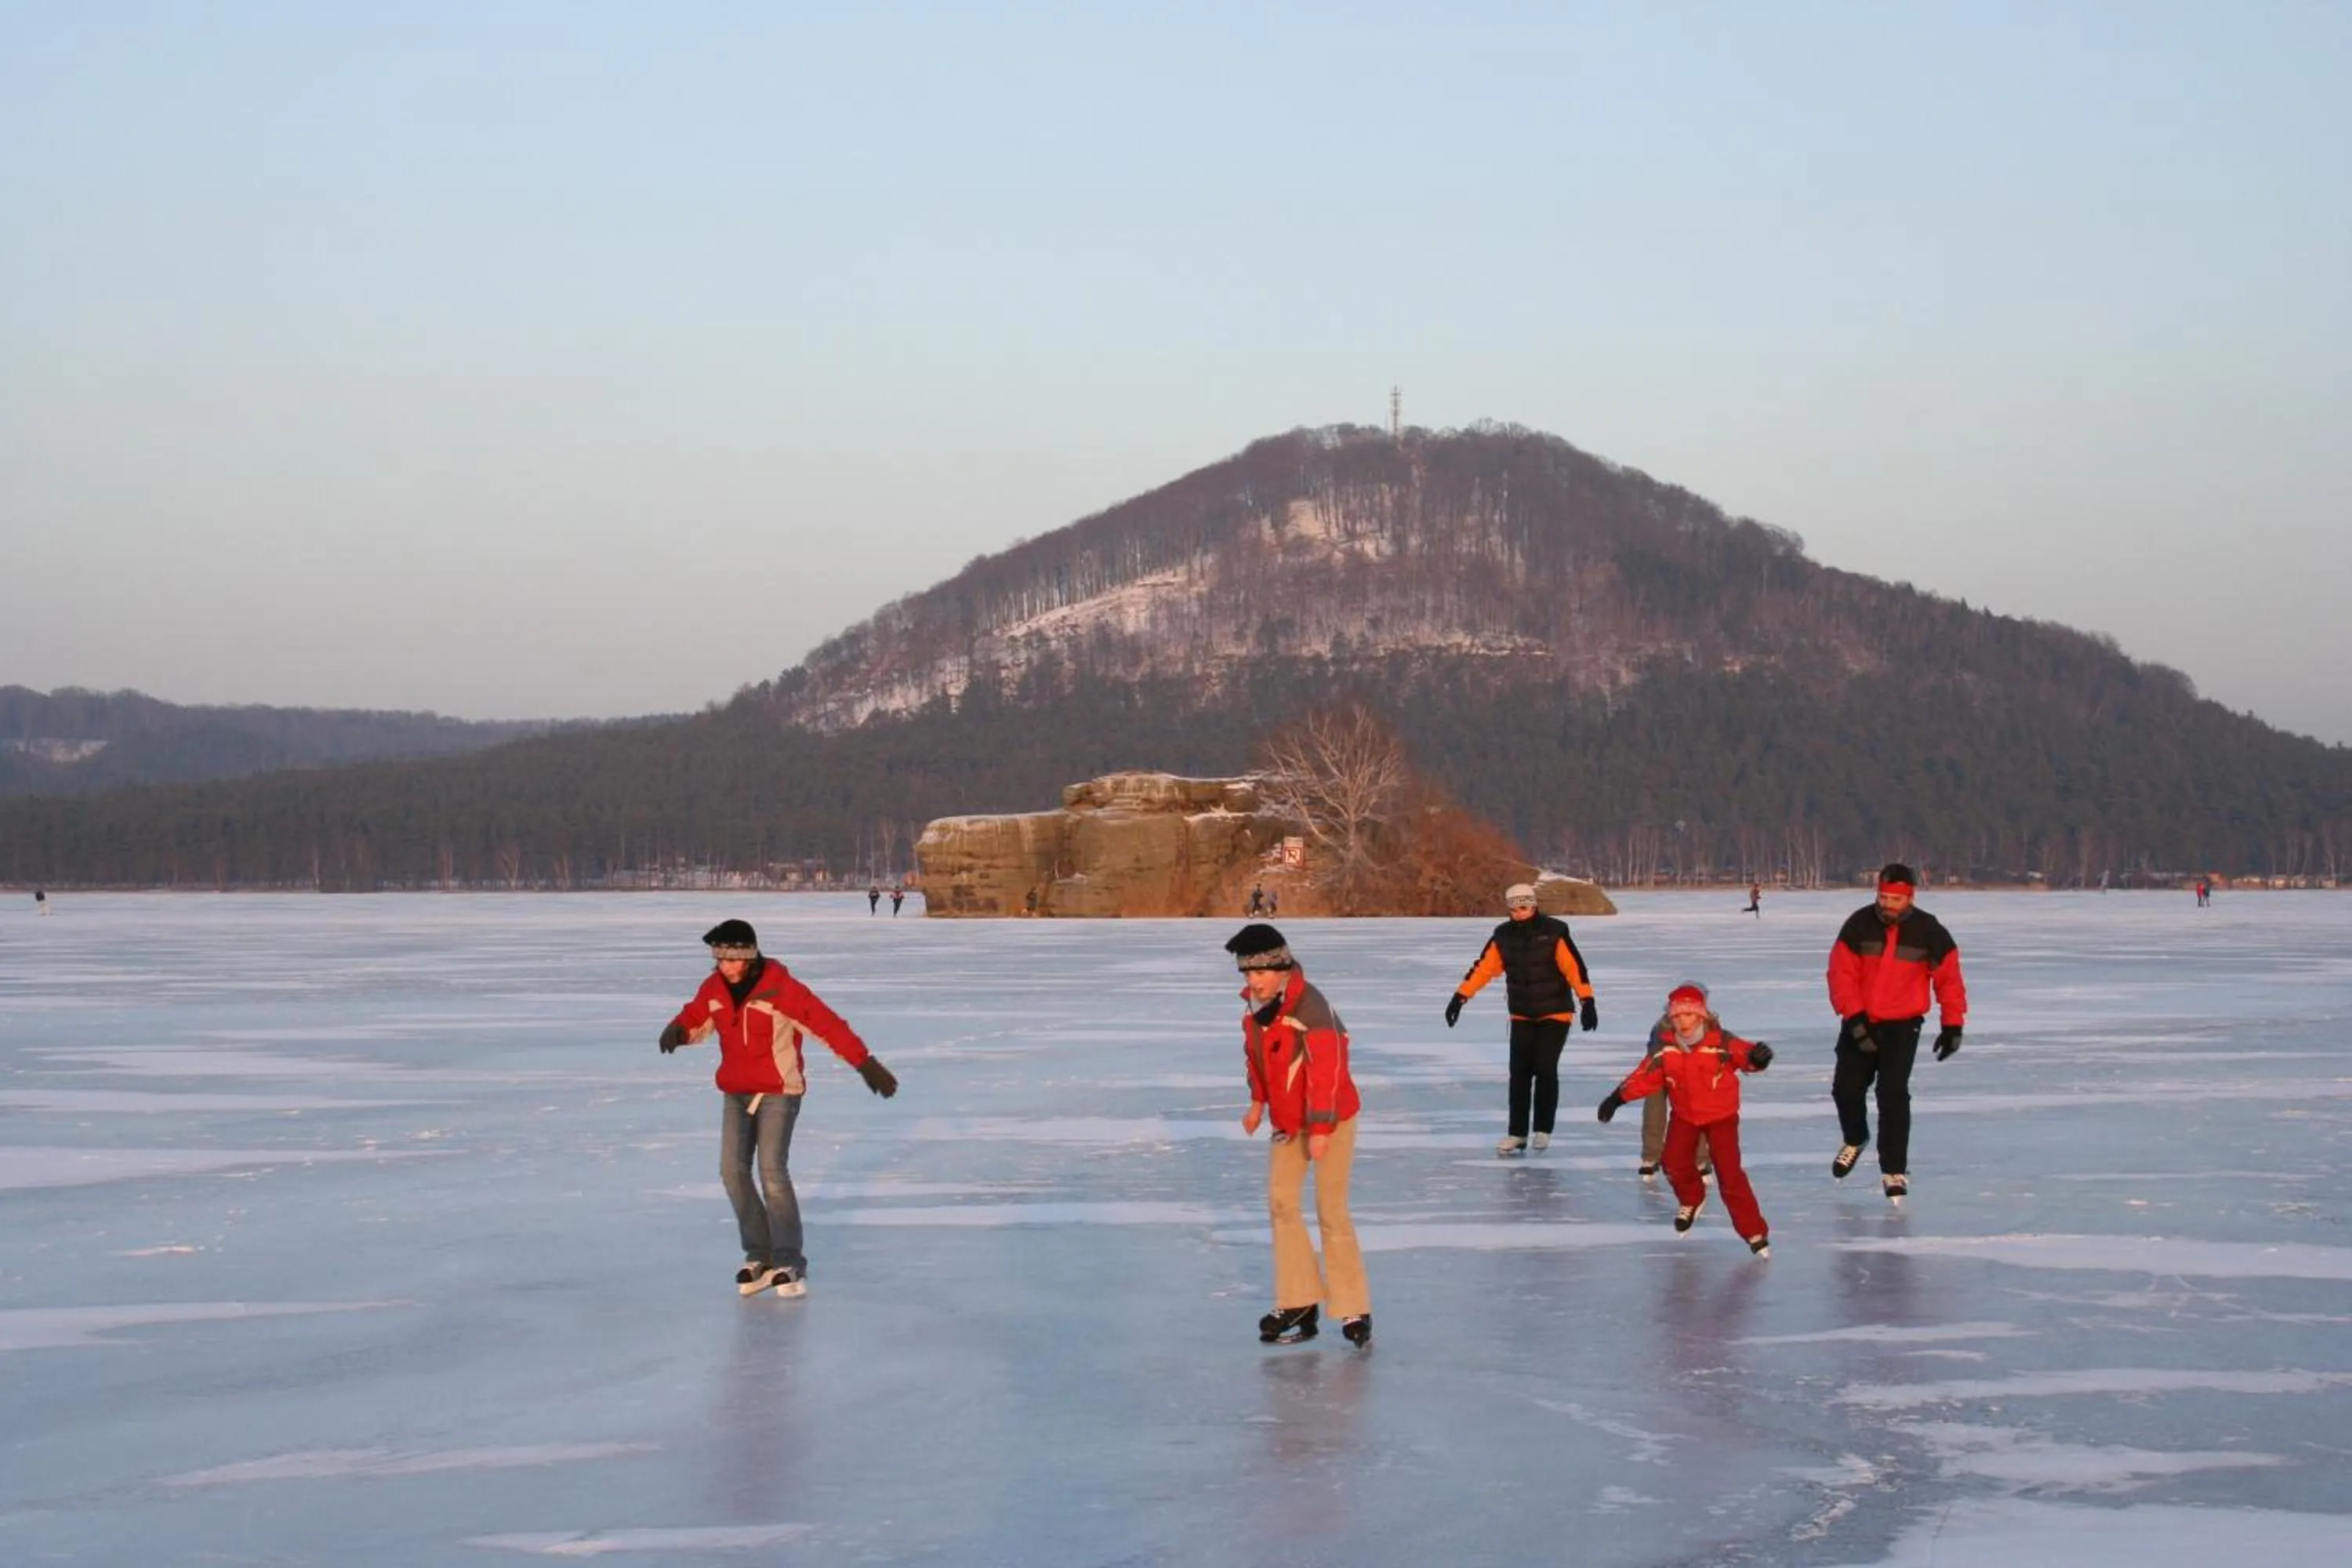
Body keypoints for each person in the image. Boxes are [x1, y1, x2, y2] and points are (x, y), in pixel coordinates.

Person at [659, 918, 898, 1297]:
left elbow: (827, 1025)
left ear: (749, 957)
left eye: (732, 960)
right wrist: (679, 1030)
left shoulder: (780, 988)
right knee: (731, 1171)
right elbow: (697, 1016)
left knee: (771, 1170)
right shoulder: (714, 987)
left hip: (778, 1092)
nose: (725, 967)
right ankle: (760, 1255)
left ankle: (789, 1261)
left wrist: (864, 1063)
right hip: (736, 1091)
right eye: (720, 959)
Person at [1230, 921, 1370, 1347]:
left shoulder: (1312, 1008)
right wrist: (1258, 1102)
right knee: (1281, 1202)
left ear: (1281, 968)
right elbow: (1257, 1058)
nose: (1254, 982)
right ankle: (1299, 1300)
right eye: (1247, 973)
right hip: (1289, 1121)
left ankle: (1353, 1307)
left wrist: (1322, 1128)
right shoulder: (1257, 1010)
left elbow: (1328, 1072)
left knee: (1331, 1209)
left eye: (1260, 973)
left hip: (1332, 1119)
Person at [1598, 984, 1775, 1257]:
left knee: (1729, 1175)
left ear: (1702, 1016)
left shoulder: (1720, 1043)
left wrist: (1758, 1060)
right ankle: (1691, 1199)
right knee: (1672, 1162)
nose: (1683, 1022)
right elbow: (1644, 1077)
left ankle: (1754, 1231)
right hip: (1686, 1116)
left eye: (1689, 1015)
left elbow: (1745, 1055)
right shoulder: (1666, 1049)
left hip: (1721, 1117)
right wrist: (1617, 1098)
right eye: (1677, 1016)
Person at [1826, 862, 1967, 1202]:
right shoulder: (1859, 924)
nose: (1888, 905)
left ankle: (1894, 1170)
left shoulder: (1929, 931)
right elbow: (1840, 973)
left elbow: (1948, 979)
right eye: (1883, 897)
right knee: (1845, 1090)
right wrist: (1854, 1019)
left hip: (1903, 1026)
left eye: (1895, 899)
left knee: (1892, 1095)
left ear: (1910, 897)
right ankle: (1856, 1138)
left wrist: (1952, 1025)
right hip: (1860, 1019)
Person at [1443, 882, 1598, 1154]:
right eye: (1514, 909)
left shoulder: (1554, 931)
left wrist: (1587, 1001)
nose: (1519, 913)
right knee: (1519, 1074)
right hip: (1522, 1013)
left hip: (1556, 1012)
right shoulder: (1503, 935)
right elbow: (1483, 968)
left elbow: (1575, 968)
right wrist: (1460, 997)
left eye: (1524, 907)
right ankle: (1517, 1133)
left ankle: (1543, 1129)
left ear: (1534, 905)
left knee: (1545, 1069)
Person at [1628, 993, 1712, 1182]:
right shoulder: (1664, 1025)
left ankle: (1698, 1160)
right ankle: (1652, 1158)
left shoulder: (1706, 1024)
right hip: (1662, 1070)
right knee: (1656, 1110)